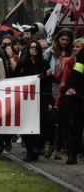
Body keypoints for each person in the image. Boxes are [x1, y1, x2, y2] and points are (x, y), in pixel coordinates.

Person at [13, 40, 53, 162]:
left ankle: (37, 148)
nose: (34, 49)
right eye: (32, 47)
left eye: (36, 47)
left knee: (39, 124)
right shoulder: (22, 63)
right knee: (27, 124)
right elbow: (17, 79)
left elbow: (48, 83)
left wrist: (50, 100)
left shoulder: (45, 63)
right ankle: (30, 150)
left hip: (41, 98)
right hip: (26, 98)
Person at [42, 28, 74, 158]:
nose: (64, 42)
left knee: (63, 120)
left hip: (65, 91)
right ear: (57, 39)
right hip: (51, 89)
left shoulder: (72, 54)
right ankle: (50, 143)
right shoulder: (50, 53)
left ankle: (59, 148)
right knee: (51, 119)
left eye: (67, 40)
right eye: (62, 39)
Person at [54, 38, 84, 164]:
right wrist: (71, 87)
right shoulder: (82, 55)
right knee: (76, 126)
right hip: (79, 96)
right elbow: (77, 71)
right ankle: (73, 154)